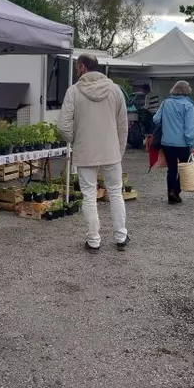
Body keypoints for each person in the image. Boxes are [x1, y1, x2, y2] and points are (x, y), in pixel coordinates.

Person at [59, 53, 129, 253]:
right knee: (116, 192)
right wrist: (119, 149)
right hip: (111, 151)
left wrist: (77, 140)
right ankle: (121, 237)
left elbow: (64, 127)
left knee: (89, 195)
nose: (75, 70)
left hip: (85, 151)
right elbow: (123, 125)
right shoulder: (115, 90)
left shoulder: (73, 92)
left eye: (76, 67)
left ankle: (93, 240)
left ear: (82, 67)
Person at [153, 80, 194, 204]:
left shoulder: (165, 103)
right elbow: (189, 128)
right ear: (186, 90)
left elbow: (156, 119)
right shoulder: (188, 105)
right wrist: (193, 145)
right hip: (183, 143)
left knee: (171, 169)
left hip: (167, 142)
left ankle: (170, 196)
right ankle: (176, 191)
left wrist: (167, 123)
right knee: (185, 168)